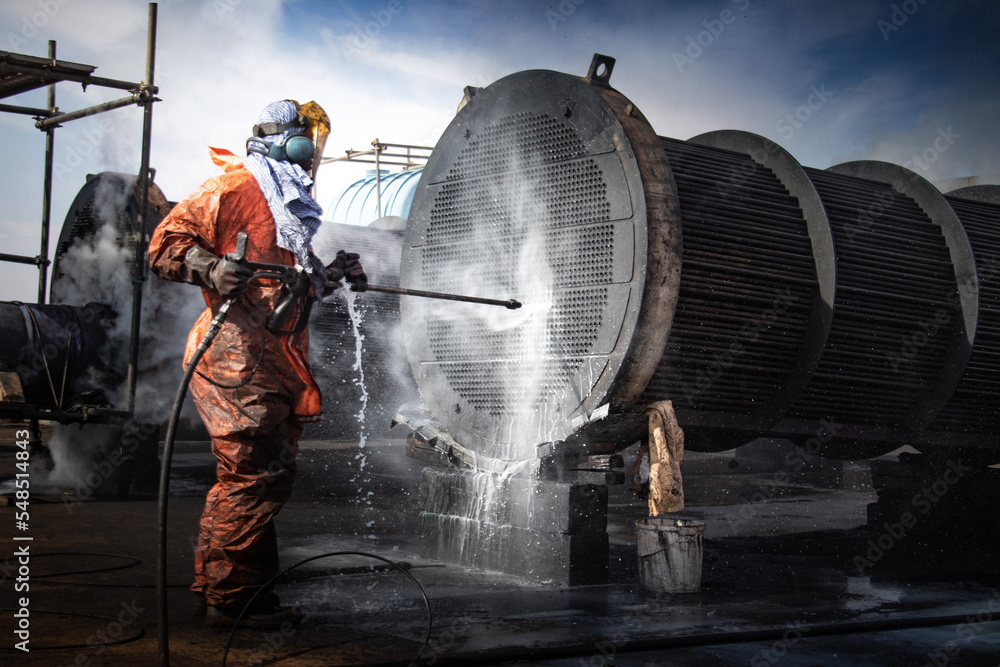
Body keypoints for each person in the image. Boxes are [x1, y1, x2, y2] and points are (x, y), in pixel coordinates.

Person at [148, 99, 367, 629]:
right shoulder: (234, 185)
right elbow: (163, 244)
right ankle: (233, 602)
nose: (313, 153)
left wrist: (332, 274)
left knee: (248, 479)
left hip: (269, 359)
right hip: (233, 359)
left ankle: (230, 588)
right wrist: (207, 266)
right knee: (255, 477)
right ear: (284, 140)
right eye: (308, 140)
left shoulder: (285, 205)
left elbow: (291, 282)